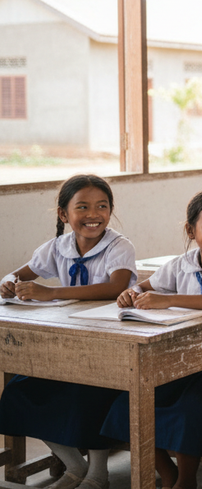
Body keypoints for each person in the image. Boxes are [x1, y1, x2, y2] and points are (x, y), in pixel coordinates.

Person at [101, 190, 202, 489]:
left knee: (190, 410)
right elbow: (145, 285)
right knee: (127, 405)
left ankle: (186, 480)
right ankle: (169, 475)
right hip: (183, 361)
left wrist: (168, 299)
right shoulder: (182, 263)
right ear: (191, 230)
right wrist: (131, 293)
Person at [0, 174, 136, 489]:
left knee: (91, 394)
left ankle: (98, 473)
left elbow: (115, 287)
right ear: (64, 214)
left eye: (102, 206)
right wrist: (8, 282)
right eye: (83, 207)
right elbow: (18, 272)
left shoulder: (118, 245)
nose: (93, 214)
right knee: (20, 394)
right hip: (68, 343)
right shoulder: (57, 247)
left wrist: (52, 293)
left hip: (110, 344)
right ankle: (75, 465)